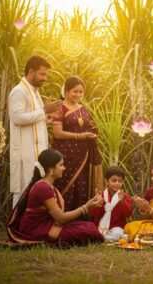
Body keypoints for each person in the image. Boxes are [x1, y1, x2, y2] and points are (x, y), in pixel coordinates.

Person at [7, 149, 104, 246]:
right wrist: (86, 207)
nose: (64, 168)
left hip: (47, 225)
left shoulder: (48, 186)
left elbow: (60, 217)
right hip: (36, 230)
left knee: (89, 226)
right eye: (61, 165)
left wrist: (89, 203)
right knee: (90, 231)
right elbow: (61, 218)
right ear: (51, 169)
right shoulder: (43, 187)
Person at [8, 55, 62, 208]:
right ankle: (16, 228)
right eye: (42, 74)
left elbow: (33, 117)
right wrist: (45, 110)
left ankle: (30, 228)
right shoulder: (19, 91)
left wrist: (46, 118)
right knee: (23, 191)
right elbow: (17, 118)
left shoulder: (34, 91)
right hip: (25, 153)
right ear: (31, 71)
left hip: (37, 153)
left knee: (35, 191)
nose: (45, 78)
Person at [52, 76, 103, 211]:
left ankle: (80, 217)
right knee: (65, 183)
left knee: (82, 183)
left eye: (81, 92)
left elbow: (91, 126)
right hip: (65, 154)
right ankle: (63, 216)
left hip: (83, 154)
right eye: (75, 91)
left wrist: (93, 132)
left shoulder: (83, 108)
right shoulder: (60, 108)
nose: (78, 95)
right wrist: (80, 136)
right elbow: (57, 133)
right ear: (67, 91)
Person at [90, 166, 133, 241]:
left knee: (118, 233)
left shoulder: (124, 196)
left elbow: (128, 214)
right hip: (100, 227)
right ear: (107, 181)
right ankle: (101, 237)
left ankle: (101, 238)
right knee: (90, 230)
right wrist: (98, 203)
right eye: (114, 180)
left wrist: (122, 202)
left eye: (120, 181)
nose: (117, 183)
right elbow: (94, 215)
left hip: (117, 228)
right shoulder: (102, 195)